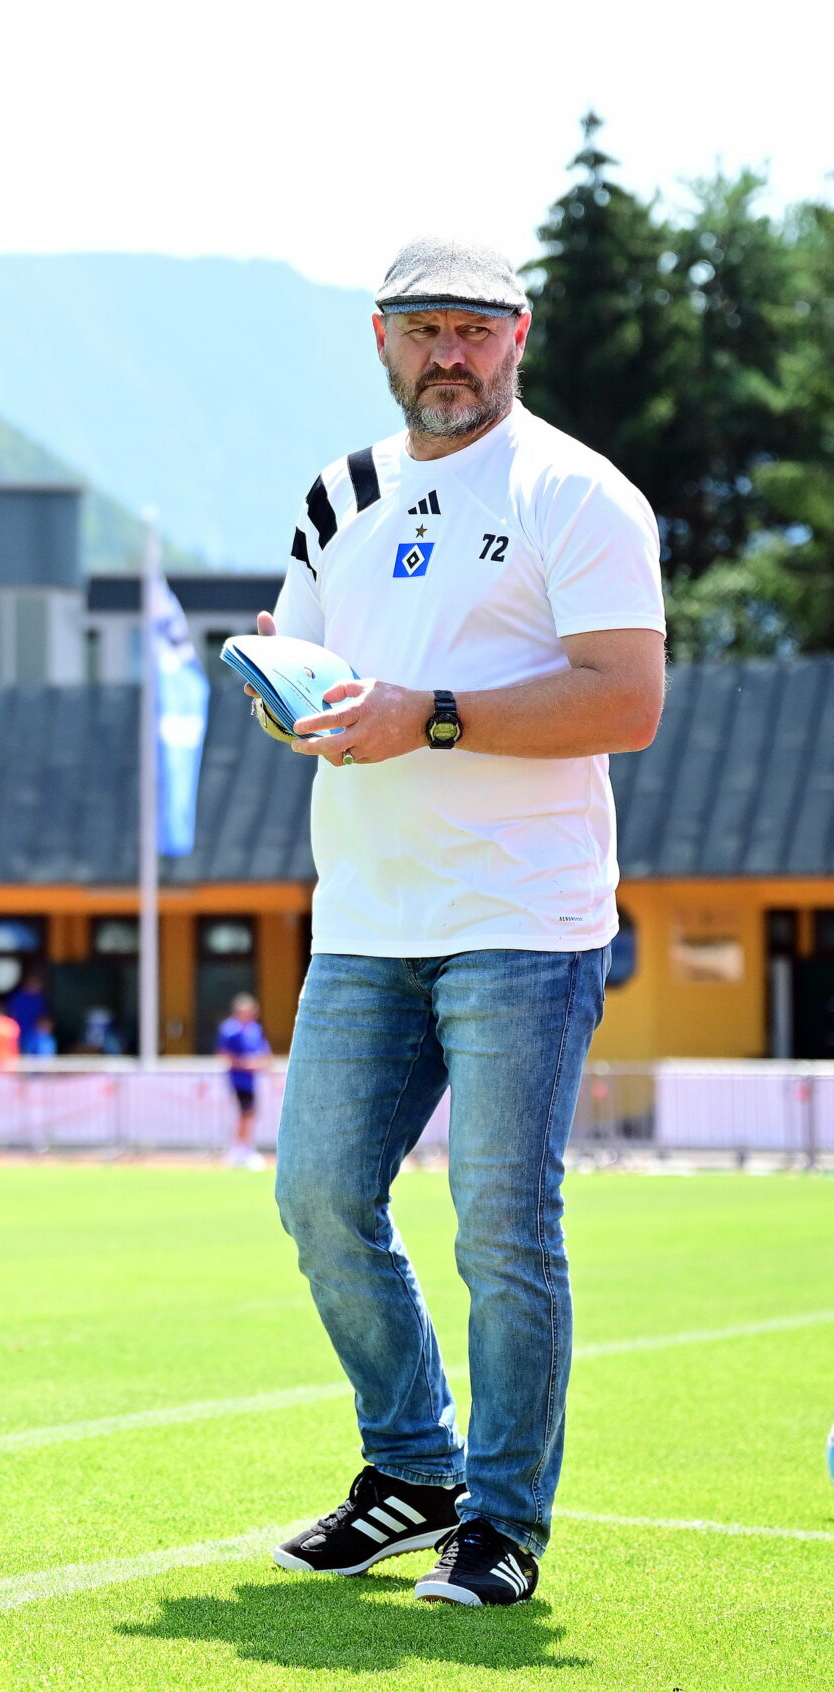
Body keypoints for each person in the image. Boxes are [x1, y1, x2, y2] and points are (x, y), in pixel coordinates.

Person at [260, 238, 666, 1609]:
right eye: (426, 327)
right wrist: (291, 684)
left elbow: (626, 700)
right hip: (365, 920)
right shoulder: (336, 495)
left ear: (520, 335)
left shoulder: (576, 492)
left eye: (476, 328)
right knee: (317, 1200)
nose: (450, 352)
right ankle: (411, 1471)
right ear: (380, 337)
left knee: (502, 1231)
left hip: (523, 919)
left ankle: (500, 1523)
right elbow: (319, 672)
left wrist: (425, 714)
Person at [216, 993, 271, 1169]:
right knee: (244, 1113)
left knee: (250, 1114)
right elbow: (223, 1055)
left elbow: (265, 1056)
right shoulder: (229, 1029)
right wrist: (243, 1064)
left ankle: (245, 1148)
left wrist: (257, 1063)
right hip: (238, 1079)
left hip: (252, 1080)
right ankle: (238, 1149)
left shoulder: (255, 1030)